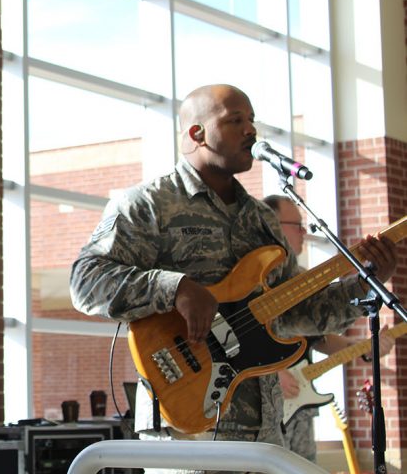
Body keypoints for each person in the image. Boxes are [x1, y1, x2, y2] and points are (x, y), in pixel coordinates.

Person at [70, 84, 397, 474]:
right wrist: (174, 289)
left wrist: (362, 283)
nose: (250, 131)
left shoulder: (262, 220)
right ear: (197, 134)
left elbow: (297, 314)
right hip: (186, 430)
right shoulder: (148, 204)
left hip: (263, 435)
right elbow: (86, 280)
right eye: (235, 120)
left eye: (252, 121)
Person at [263, 194, 395, 463]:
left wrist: (368, 351)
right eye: (295, 224)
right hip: (262, 410)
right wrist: (272, 373)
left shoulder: (299, 277)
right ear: (272, 224)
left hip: (300, 408)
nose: (303, 231)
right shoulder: (253, 278)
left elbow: (320, 339)